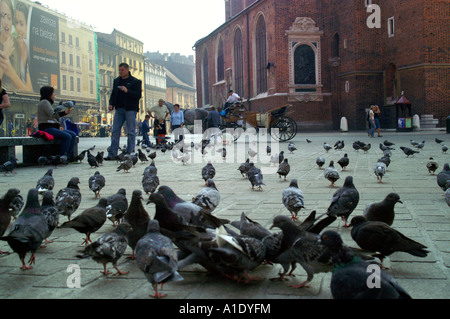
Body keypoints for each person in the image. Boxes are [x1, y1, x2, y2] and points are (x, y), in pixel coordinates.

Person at [104, 62, 142, 160]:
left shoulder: (135, 81)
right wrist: (111, 104)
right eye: (119, 70)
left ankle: (130, 153)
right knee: (115, 131)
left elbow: (138, 95)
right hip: (119, 109)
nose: (120, 72)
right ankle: (112, 154)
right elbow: (113, 94)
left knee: (130, 132)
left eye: (122, 70)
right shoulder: (117, 81)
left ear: (127, 70)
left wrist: (127, 90)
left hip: (130, 109)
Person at [37, 86, 77, 159]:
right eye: (53, 93)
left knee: (73, 135)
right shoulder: (45, 102)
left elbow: (51, 118)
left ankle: (68, 156)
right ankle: (61, 157)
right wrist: (64, 113)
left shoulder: (46, 102)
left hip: (50, 127)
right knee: (67, 136)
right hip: (46, 128)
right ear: (48, 94)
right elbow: (52, 115)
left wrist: (58, 126)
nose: (54, 95)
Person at [0, 0, 32, 91]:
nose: (6, 22)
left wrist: (11, 71)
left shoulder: (19, 45)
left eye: (9, 18)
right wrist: (5, 55)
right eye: (2, 16)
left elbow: (28, 90)